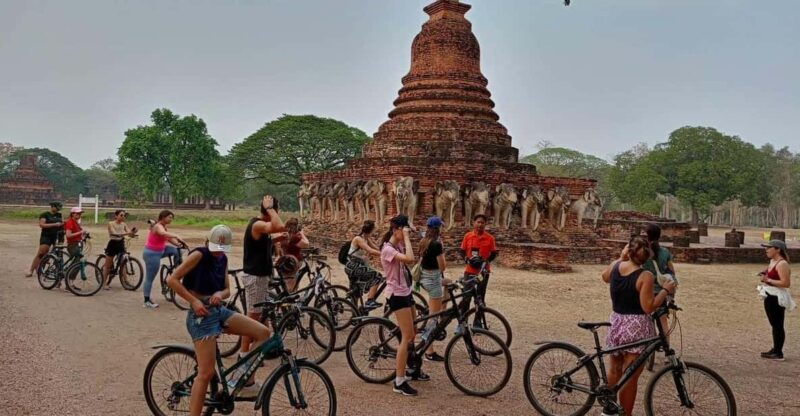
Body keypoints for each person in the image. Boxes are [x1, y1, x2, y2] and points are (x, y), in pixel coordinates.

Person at [167, 225, 276, 416]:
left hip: (218, 311)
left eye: (222, 250)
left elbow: (226, 289)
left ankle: (241, 379)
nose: (218, 253)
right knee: (206, 373)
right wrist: (193, 301)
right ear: (208, 242)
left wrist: (219, 293)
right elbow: (172, 280)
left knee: (263, 333)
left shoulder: (222, 259)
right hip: (201, 317)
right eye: (216, 248)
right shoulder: (198, 255)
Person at [601, 236, 675, 416]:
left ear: (629, 251)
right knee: (630, 376)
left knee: (615, 369)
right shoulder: (645, 276)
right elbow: (648, 306)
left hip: (616, 322)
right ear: (648, 256)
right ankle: (626, 413)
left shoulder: (617, 266)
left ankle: (609, 410)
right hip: (636, 327)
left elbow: (605, 277)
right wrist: (665, 290)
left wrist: (621, 257)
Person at [381, 214, 428, 396]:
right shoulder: (388, 249)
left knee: (413, 333)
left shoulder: (398, 243)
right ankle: (399, 381)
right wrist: (406, 236)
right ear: (396, 230)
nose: (406, 232)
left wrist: (410, 230)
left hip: (406, 292)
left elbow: (412, 251)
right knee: (406, 336)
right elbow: (410, 259)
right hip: (396, 296)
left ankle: (411, 368)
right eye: (403, 229)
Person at [240, 196, 285, 361]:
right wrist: (270, 208)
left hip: (261, 276)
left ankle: (261, 349)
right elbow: (279, 225)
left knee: (260, 315)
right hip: (255, 277)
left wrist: (279, 239)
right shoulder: (257, 224)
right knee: (252, 317)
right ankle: (244, 354)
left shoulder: (262, 228)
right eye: (276, 210)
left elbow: (268, 239)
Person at [642, 223, 677, 360]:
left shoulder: (643, 252)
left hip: (645, 290)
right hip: (662, 291)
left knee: (646, 319)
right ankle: (668, 352)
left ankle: (647, 349)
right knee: (663, 321)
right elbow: (671, 272)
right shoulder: (665, 252)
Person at [417, 216, 449, 362]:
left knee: (448, 284)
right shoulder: (436, 244)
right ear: (438, 229)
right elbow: (442, 266)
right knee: (433, 318)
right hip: (433, 279)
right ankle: (429, 351)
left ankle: (442, 308)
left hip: (424, 277)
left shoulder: (423, 241)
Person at [142, 210, 186, 309]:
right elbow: (163, 233)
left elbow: (168, 239)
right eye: (169, 217)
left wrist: (179, 244)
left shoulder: (163, 226)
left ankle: (176, 268)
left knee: (176, 251)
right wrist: (176, 235)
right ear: (163, 217)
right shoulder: (158, 226)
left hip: (161, 251)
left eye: (172, 218)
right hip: (152, 254)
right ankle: (146, 301)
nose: (171, 219)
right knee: (150, 278)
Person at [758, 239, 794, 361]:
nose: (766, 250)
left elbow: (785, 283)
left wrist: (768, 280)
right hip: (769, 295)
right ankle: (775, 348)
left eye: (769, 247)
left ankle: (779, 352)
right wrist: (765, 274)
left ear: (778, 249)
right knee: (774, 324)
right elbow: (771, 273)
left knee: (778, 325)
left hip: (776, 297)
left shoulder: (782, 264)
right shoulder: (773, 261)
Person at [459, 214, 498, 316]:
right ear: (474, 223)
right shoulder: (468, 236)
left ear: (485, 224)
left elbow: (494, 253)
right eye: (478, 222)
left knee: (480, 297)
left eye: (482, 222)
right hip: (469, 271)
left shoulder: (490, 238)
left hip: (482, 272)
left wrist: (485, 261)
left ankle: (478, 321)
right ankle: (463, 321)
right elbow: (462, 251)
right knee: (466, 296)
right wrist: (467, 259)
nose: (480, 224)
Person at [344, 220, 384, 310]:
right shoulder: (358, 239)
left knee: (356, 292)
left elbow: (376, 248)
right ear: (371, 229)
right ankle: (370, 301)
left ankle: (354, 316)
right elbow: (370, 250)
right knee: (377, 276)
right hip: (352, 265)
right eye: (374, 229)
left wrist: (386, 250)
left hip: (358, 265)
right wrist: (386, 255)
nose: (375, 231)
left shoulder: (366, 238)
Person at [102, 210, 138, 290]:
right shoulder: (111, 223)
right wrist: (127, 234)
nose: (123, 217)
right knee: (107, 266)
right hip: (112, 244)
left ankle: (126, 281)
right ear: (116, 216)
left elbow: (129, 233)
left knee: (123, 263)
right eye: (121, 215)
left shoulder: (124, 224)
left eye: (124, 215)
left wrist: (133, 232)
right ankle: (103, 283)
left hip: (121, 244)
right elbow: (114, 233)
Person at [27, 201, 63, 277]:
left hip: (55, 236)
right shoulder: (45, 214)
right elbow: (42, 225)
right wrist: (55, 224)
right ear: (52, 206)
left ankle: (41, 269)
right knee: (41, 252)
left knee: (51, 254)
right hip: (46, 236)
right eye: (57, 207)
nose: (58, 209)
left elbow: (61, 224)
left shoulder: (59, 215)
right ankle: (31, 270)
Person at [276, 218, 309, 292]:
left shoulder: (283, 236)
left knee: (286, 282)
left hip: (284, 261)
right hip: (294, 262)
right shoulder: (294, 237)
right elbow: (306, 244)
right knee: (292, 284)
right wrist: (302, 233)